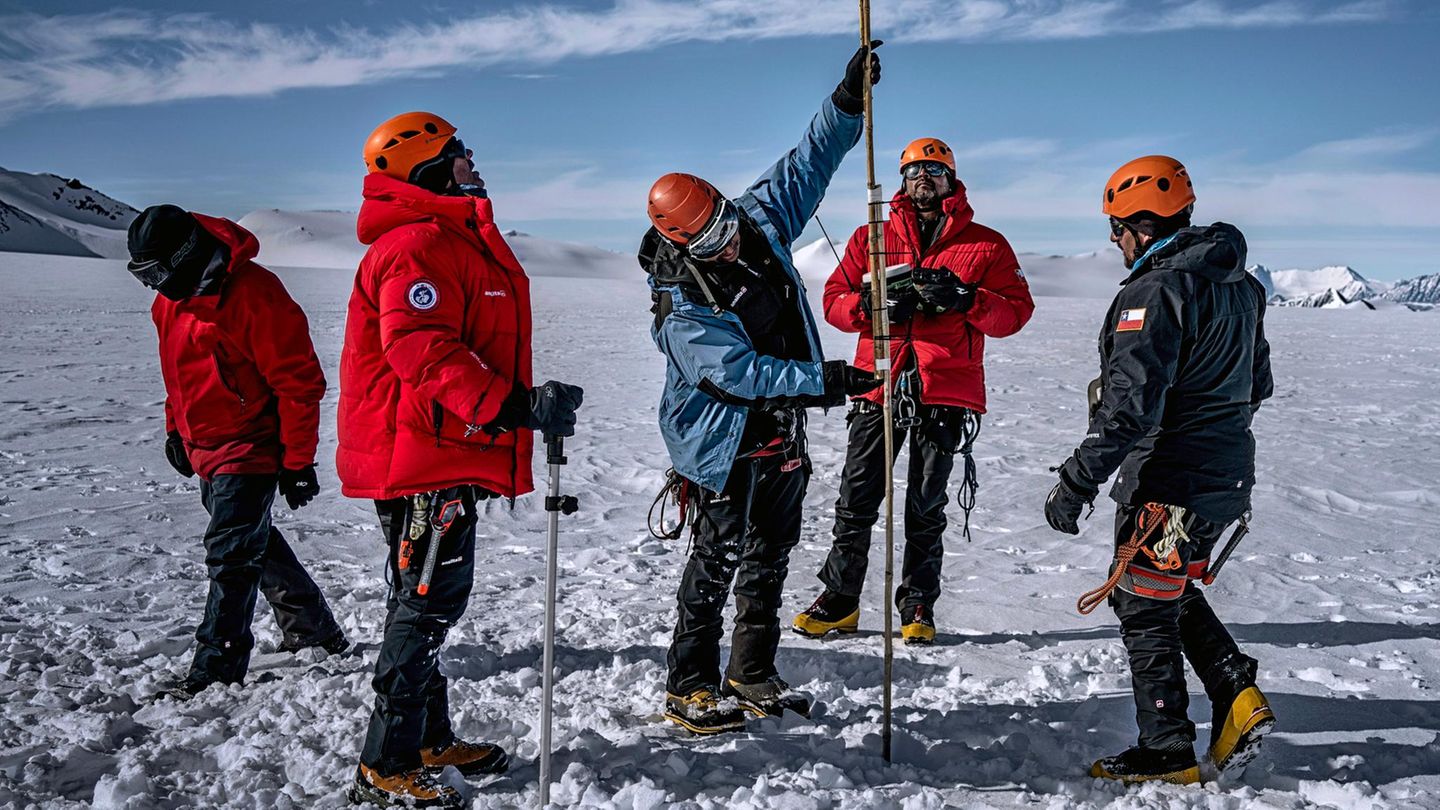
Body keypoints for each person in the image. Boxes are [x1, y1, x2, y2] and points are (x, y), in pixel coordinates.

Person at [339, 111, 583, 808]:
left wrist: (513, 403)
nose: (472, 161)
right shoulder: (418, 246)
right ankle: (384, 764)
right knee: (422, 608)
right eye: (459, 152)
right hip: (424, 456)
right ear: (427, 167)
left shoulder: (450, 239)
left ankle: (424, 739)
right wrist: (509, 405)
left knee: (424, 602)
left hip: (441, 448)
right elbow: (421, 348)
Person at [640, 42, 884, 735]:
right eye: (709, 239)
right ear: (680, 241)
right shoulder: (680, 306)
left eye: (725, 224)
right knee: (715, 560)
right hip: (720, 443)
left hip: (779, 431)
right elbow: (738, 375)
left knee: (771, 555)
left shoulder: (756, 221)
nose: (726, 243)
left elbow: (807, 163)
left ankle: (752, 670)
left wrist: (845, 103)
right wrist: (828, 380)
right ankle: (687, 684)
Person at [1044, 155, 1275, 784]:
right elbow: (1259, 385)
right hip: (1225, 473)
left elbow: (1128, 411)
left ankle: (1168, 748)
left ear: (1143, 225)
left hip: (1170, 476)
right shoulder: (1243, 285)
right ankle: (1236, 693)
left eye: (1116, 228)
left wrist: (1075, 481)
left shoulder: (1154, 291)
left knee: (1142, 602)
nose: (1114, 242)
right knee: (1159, 583)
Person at [793, 137, 1035, 645]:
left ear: (952, 178)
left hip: (943, 387)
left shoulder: (987, 245)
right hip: (878, 382)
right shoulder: (871, 237)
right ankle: (840, 600)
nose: (923, 178)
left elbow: (1015, 312)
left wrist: (967, 297)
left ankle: (918, 604)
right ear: (903, 182)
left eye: (934, 169)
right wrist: (873, 306)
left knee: (926, 504)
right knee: (857, 498)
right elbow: (834, 300)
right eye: (914, 171)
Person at [126, 204, 346, 700]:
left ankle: (215, 669)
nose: (153, 285)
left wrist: (297, 462)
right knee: (252, 542)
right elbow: (178, 374)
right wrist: (176, 430)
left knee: (230, 555)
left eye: (157, 272)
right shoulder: (170, 301)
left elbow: (300, 385)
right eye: (143, 276)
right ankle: (315, 631)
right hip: (205, 442)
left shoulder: (255, 295)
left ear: (186, 255)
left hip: (250, 443)